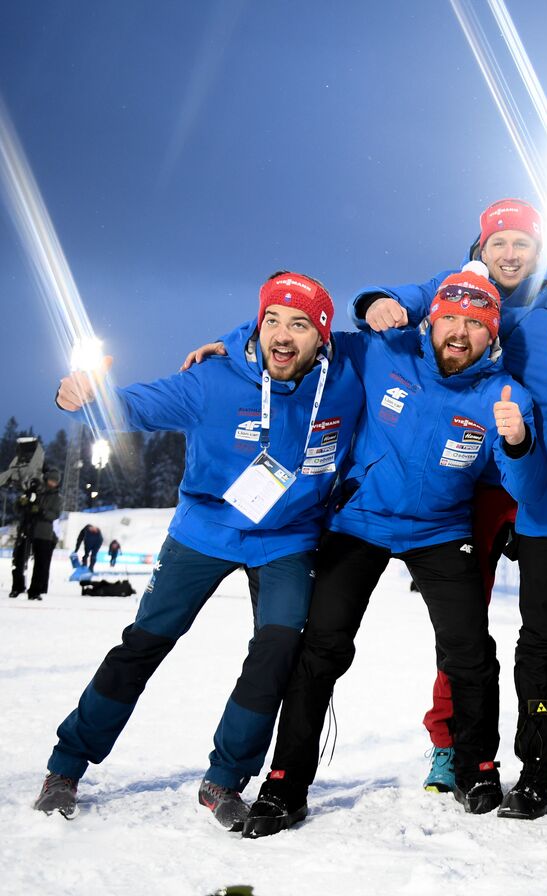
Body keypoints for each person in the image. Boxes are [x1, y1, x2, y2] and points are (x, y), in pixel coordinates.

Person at [184, 263, 546, 837]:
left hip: (440, 529)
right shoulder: (381, 354)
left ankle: (476, 765)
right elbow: (301, 341)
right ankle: (286, 782)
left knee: (469, 649)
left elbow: (525, 487)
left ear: (492, 335)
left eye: (474, 324)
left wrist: (519, 441)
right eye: (448, 318)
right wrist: (236, 349)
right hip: (359, 522)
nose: (459, 332)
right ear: (430, 322)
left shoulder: (504, 396)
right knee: (320, 647)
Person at [33, 272, 364, 827]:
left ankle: (226, 778)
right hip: (203, 531)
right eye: (273, 321)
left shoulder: (347, 378)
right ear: (258, 325)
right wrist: (88, 397)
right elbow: (133, 407)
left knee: (277, 652)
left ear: (323, 337)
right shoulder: (212, 380)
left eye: (300, 325)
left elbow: (417, 336)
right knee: (143, 645)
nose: (283, 335)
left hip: (287, 539)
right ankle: (66, 765)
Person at [358, 221, 547, 819]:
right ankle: (530, 763)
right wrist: (240, 342)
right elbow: (452, 311)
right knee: (527, 643)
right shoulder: (531, 322)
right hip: (537, 505)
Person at [353, 197, 547, 796]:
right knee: (462, 627)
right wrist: (377, 304)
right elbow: (384, 300)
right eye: (498, 242)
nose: (509, 254)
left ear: (541, 251)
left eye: (522, 244)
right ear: (480, 247)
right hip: (470, 482)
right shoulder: (453, 288)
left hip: (542, 472)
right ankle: (450, 744)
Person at [10, 468, 62, 600]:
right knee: (18, 559)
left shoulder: (56, 498)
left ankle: (35, 591)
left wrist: (41, 511)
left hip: (43, 533)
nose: (52, 483)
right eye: (51, 480)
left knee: (41, 563)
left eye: (55, 481)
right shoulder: (35, 492)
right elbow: (18, 508)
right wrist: (24, 502)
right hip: (26, 529)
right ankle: (17, 586)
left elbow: (55, 514)